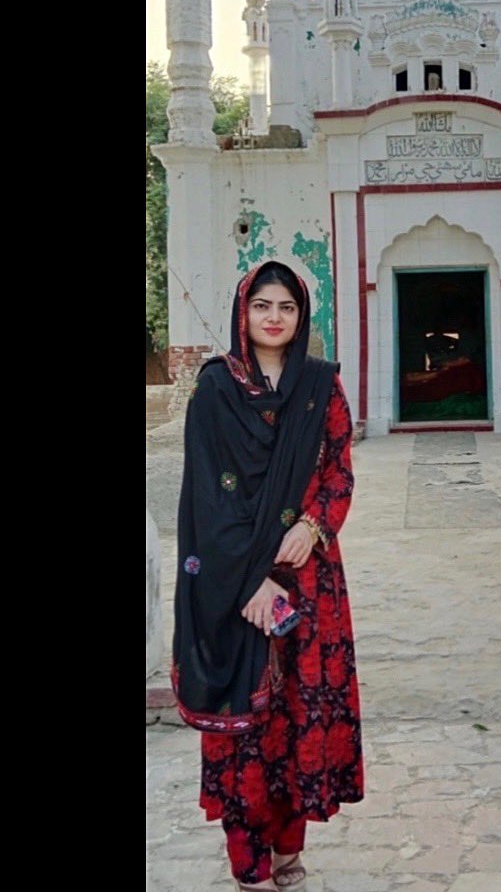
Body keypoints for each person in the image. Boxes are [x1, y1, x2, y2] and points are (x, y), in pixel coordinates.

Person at [172, 260, 364, 890]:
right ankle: (247, 863)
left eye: (286, 307)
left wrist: (311, 528)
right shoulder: (215, 391)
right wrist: (253, 578)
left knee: (298, 718)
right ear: (243, 312)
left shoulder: (320, 386)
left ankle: (287, 850)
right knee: (244, 729)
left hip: (308, 581)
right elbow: (209, 497)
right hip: (233, 590)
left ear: (301, 315)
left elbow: (339, 473)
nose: (274, 318)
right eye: (262, 306)